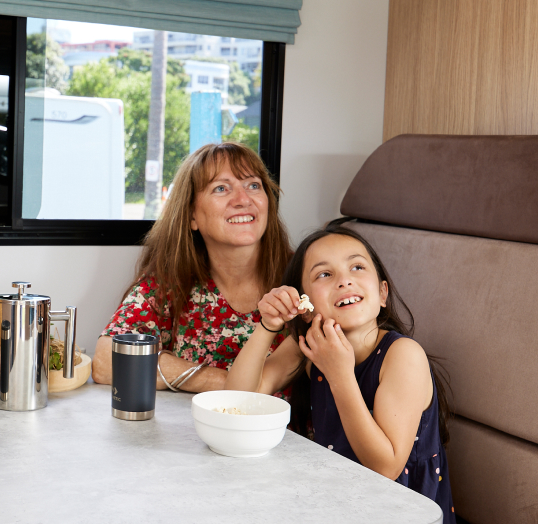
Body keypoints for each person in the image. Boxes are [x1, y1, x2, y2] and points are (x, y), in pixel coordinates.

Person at [225, 225, 455, 522]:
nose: (345, 280)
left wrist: (339, 375)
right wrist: (268, 325)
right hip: (335, 502)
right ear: (305, 308)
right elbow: (236, 403)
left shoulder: (404, 355)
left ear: (382, 292)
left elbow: (385, 468)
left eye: (357, 267)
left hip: (397, 511)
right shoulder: (309, 345)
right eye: (324, 274)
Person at [92, 142, 292, 393]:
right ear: (191, 216)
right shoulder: (171, 282)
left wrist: (158, 364)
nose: (243, 200)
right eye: (221, 188)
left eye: (253, 185)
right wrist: (220, 382)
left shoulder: (303, 276)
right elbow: (105, 361)